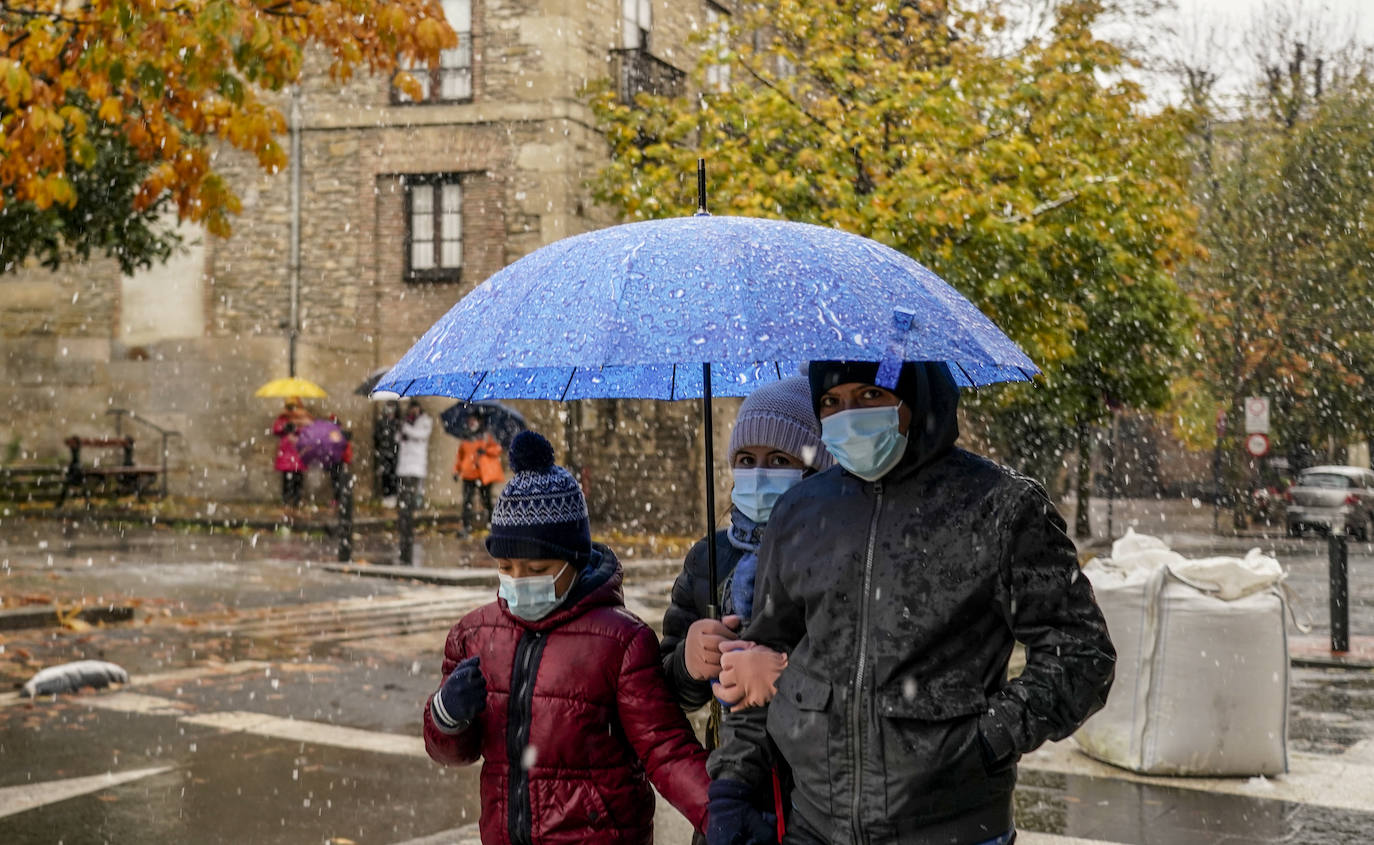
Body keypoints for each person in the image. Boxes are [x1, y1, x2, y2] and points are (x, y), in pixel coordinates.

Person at [706, 361, 1116, 845]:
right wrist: (731, 787)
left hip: (954, 829)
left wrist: (987, 740)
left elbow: (1082, 655)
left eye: (869, 397)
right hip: (814, 825)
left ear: (914, 404)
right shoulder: (800, 511)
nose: (848, 416)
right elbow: (758, 665)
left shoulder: (1000, 507)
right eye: (832, 403)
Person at [423, 431, 710, 844]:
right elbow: (453, 752)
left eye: (537, 569)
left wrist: (719, 812)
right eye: (506, 566)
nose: (518, 581)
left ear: (573, 562)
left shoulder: (621, 641)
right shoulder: (473, 636)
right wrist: (445, 715)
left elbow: (665, 749)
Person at [661, 376, 833, 714]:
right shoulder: (710, 558)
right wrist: (688, 661)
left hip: (816, 763)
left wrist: (789, 677)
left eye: (780, 460)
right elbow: (668, 689)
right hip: (734, 757)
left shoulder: (839, 550)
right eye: (746, 460)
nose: (759, 475)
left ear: (815, 469)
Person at [454, 415, 505, 536]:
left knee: (486, 501)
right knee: (467, 502)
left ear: (480, 421)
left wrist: (486, 451)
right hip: (468, 474)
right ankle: (466, 526)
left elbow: (497, 449)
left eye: (474, 420)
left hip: (483, 474)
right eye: (470, 420)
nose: (472, 423)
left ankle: (492, 525)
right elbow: (460, 457)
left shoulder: (487, 437)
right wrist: (456, 471)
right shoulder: (465, 438)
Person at [270, 398, 311, 509]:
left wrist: (297, 426)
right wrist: (286, 427)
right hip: (286, 451)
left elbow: (309, 430)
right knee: (287, 478)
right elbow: (276, 429)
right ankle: (287, 499)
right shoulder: (283, 418)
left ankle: (297, 499)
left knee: (298, 477)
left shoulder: (304, 419)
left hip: (298, 450)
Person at [396, 399, 433, 510]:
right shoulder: (406, 420)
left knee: (417, 485)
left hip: (417, 458)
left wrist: (407, 429)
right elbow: (397, 438)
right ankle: (405, 505)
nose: (413, 410)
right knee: (405, 485)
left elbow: (421, 435)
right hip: (405, 459)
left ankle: (417, 505)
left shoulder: (425, 421)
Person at [374, 401, 401, 508]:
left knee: (393, 476)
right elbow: (376, 437)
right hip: (384, 453)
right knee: (385, 475)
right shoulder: (381, 423)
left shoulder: (397, 423)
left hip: (395, 454)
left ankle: (393, 496)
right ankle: (386, 496)